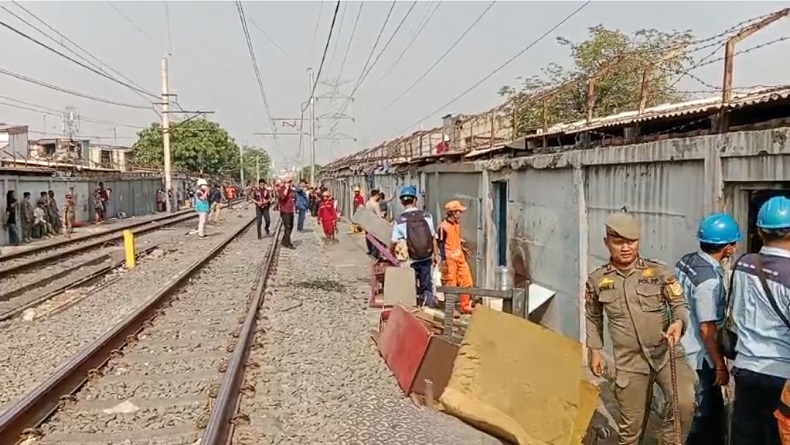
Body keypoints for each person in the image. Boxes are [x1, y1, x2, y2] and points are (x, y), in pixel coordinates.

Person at [585, 212, 695, 445]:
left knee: (684, 405)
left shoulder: (659, 273)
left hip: (666, 354)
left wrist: (678, 323)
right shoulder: (597, 280)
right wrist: (594, 349)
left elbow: (679, 305)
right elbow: (593, 315)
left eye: (631, 242)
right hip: (629, 363)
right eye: (618, 242)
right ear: (607, 242)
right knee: (631, 431)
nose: (626, 248)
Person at [675, 213, 742, 445]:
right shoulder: (708, 282)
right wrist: (720, 366)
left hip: (681, 349)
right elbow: (707, 328)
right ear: (729, 248)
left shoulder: (686, 261)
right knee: (704, 415)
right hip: (699, 358)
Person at [729, 196, 790, 445]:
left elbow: (732, 312)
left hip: (745, 370)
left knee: (745, 437)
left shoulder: (743, 264)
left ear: (759, 231)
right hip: (782, 377)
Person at [390, 185, 438, 307]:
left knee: (408, 282)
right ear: (415, 200)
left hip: (410, 258)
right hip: (426, 255)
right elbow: (433, 237)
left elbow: (394, 241)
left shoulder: (400, 220)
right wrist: (435, 254)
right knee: (427, 282)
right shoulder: (427, 216)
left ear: (401, 202)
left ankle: (411, 305)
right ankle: (428, 305)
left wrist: (391, 252)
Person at [438, 200, 474, 313]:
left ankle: (465, 305)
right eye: (459, 211)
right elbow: (440, 243)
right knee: (450, 283)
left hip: (459, 256)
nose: (461, 214)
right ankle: (450, 309)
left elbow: (456, 238)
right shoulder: (443, 227)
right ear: (453, 212)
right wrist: (443, 260)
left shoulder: (457, 224)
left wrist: (462, 247)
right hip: (450, 259)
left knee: (467, 281)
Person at [276, 178, 296, 249]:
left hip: (291, 211)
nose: (289, 183)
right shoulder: (281, 189)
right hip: (284, 211)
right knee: (287, 227)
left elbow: (294, 199)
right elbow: (282, 197)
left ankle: (284, 240)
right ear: (284, 183)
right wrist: (286, 189)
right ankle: (288, 243)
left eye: (290, 182)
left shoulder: (292, 191)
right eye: (288, 182)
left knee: (291, 226)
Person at [364, 189, 383, 257]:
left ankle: (370, 251)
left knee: (368, 238)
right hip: (374, 223)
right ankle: (375, 253)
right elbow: (379, 216)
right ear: (376, 195)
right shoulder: (375, 204)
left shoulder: (367, 203)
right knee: (375, 239)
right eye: (378, 196)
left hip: (367, 222)